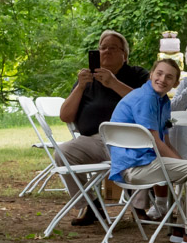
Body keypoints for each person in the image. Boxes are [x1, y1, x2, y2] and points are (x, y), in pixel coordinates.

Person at [106, 59, 187, 243]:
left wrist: (183, 163)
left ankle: (181, 227)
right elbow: (155, 142)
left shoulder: (162, 101)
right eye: (159, 74)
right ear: (151, 74)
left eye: (169, 77)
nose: (162, 79)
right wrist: (183, 165)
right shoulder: (146, 98)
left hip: (148, 162)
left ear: (176, 83)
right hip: (134, 167)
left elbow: (166, 141)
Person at [56, 30, 148, 226]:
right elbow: (65, 116)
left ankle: (139, 208)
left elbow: (145, 105)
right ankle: (91, 206)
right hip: (93, 140)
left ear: (125, 55)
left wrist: (113, 83)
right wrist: (80, 87)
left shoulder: (137, 74)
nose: (106, 52)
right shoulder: (87, 79)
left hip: (128, 139)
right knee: (62, 153)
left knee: (138, 156)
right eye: (103, 48)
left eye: (113, 48)